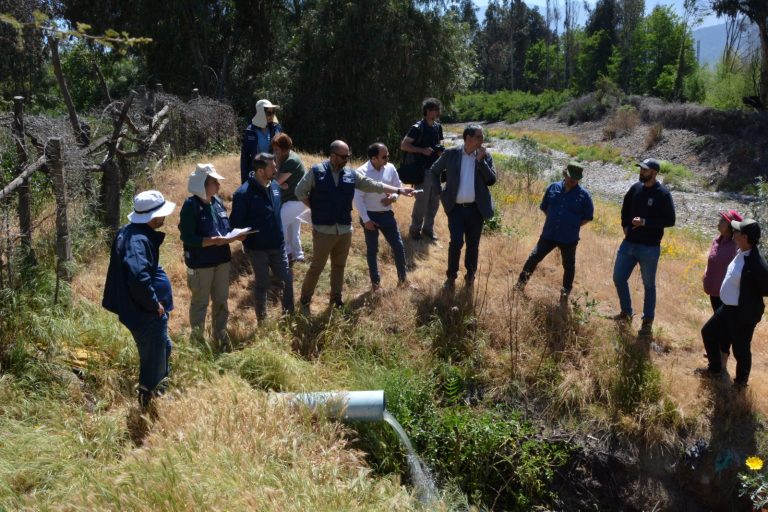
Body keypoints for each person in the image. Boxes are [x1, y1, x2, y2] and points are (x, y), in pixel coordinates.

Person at [295, 140, 415, 311]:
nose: (346, 160)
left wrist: (399, 190)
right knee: (317, 267)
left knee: (339, 266)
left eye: (348, 157)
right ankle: (305, 300)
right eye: (343, 157)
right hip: (323, 230)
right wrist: (316, 208)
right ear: (333, 155)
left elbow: (374, 185)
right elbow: (299, 191)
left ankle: (336, 299)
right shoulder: (316, 172)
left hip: (344, 229)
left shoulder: (352, 175)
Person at [102, 190, 176, 410]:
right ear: (153, 217)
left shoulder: (132, 232)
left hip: (144, 312)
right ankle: (150, 406)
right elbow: (138, 277)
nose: (164, 217)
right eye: (162, 214)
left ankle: (156, 396)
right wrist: (154, 305)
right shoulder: (138, 240)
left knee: (163, 349)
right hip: (146, 314)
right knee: (153, 363)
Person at [178, 163, 244, 347]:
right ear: (203, 184)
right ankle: (198, 341)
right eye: (215, 181)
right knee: (200, 302)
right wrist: (211, 241)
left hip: (222, 260)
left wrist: (236, 236)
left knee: (221, 300)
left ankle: (220, 335)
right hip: (201, 264)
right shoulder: (190, 206)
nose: (219, 185)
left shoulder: (217, 202)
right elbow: (187, 236)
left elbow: (226, 229)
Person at [700, 219, 768, 390]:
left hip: (742, 313)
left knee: (741, 350)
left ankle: (740, 385)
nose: (733, 231)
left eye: (736, 230)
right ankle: (715, 370)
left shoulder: (756, 263)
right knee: (708, 332)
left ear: (744, 237)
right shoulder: (740, 251)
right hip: (727, 308)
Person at [428, 124, 496, 291]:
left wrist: (481, 162)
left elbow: (491, 180)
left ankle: (470, 276)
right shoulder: (451, 153)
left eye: (482, 137)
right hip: (456, 209)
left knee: (473, 246)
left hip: (476, 209)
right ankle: (451, 277)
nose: (482, 140)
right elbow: (434, 170)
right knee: (456, 243)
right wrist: (440, 193)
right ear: (468, 138)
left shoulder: (484, 156)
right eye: (479, 137)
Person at [612, 158, 676, 336]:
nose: (641, 172)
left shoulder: (663, 194)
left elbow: (670, 220)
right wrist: (625, 225)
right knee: (618, 278)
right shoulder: (635, 188)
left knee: (649, 285)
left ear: (654, 173)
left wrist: (646, 222)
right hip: (629, 243)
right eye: (641, 169)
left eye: (645, 170)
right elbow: (625, 207)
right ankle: (626, 312)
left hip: (649, 247)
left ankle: (647, 322)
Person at [516, 161, 594, 302]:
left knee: (569, 267)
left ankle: (564, 297)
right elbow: (545, 207)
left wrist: (572, 225)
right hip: (549, 234)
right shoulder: (553, 188)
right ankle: (519, 287)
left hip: (569, 238)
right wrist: (554, 220)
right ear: (565, 174)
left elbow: (588, 217)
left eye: (576, 178)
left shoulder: (584, 196)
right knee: (533, 258)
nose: (573, 180)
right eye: (571, 176)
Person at [231, 153, 294, 323]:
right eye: (272, 167)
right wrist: (242, 237)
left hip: (278, 244)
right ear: (260, 171)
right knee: (262, 284)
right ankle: (262, 321)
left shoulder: (274, 186)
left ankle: (289, 317)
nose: (276, 169)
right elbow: (235, 224)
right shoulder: (243, 194)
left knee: (287, 280)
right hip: (257, 249)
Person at [354, 143, 409, 292]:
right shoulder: (361, 172)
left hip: (387, 215)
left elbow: (398, 187)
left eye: (388, 155)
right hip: (370, 216)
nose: (387, 159)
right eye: (384, 156)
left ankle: (403, 281)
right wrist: (366, 220)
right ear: (374, 158)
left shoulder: (390, 168)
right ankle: (376, 285)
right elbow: (358, 198)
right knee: (373, 250)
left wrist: (393, 198)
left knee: (398, 246)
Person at [701, 209, 743, 369]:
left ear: (731, 226)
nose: (719, 221)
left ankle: (722, 357)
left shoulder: (735, 246)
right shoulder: (716, 240)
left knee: (724, 327)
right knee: (719, 324)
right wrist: (706, 273)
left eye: (723, 220)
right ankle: (716, 351)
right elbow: (711, 261)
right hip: (713, 290)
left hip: (727, 294)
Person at [401, 97, 444, 242]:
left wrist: (439, 152)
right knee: (421, 202)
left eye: (437, 109)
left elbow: (438, 144)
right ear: (426, 111)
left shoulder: (438, 127)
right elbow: (404, 145)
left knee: (434, 202)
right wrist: (422, 150)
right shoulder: (417, 127)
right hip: (422, 170)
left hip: (436, 170)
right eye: (433, 109)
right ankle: (415, 230)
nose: (436, 112)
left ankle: (428, 230)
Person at [271, 133, 307, 264]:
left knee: (280, 222)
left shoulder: (290, 161)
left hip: (296, 200)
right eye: (274, 149)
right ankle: (297, 255)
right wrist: (280, 183)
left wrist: (278, 181)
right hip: (296, 199)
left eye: (277, 150)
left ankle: (285, 253)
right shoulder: (288, 157)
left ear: (285, 149)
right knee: (293, 227)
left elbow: (276, 181)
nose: (274, 153)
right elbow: (279, 181)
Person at [240, 99, 282, 183]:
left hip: (273, 172)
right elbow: (245, 158)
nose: (272, 115)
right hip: (257, 174)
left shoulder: (276, 128)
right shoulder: (250, 131)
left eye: (273, 112)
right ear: (261, 114)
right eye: (269, 113)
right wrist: (244, 181)